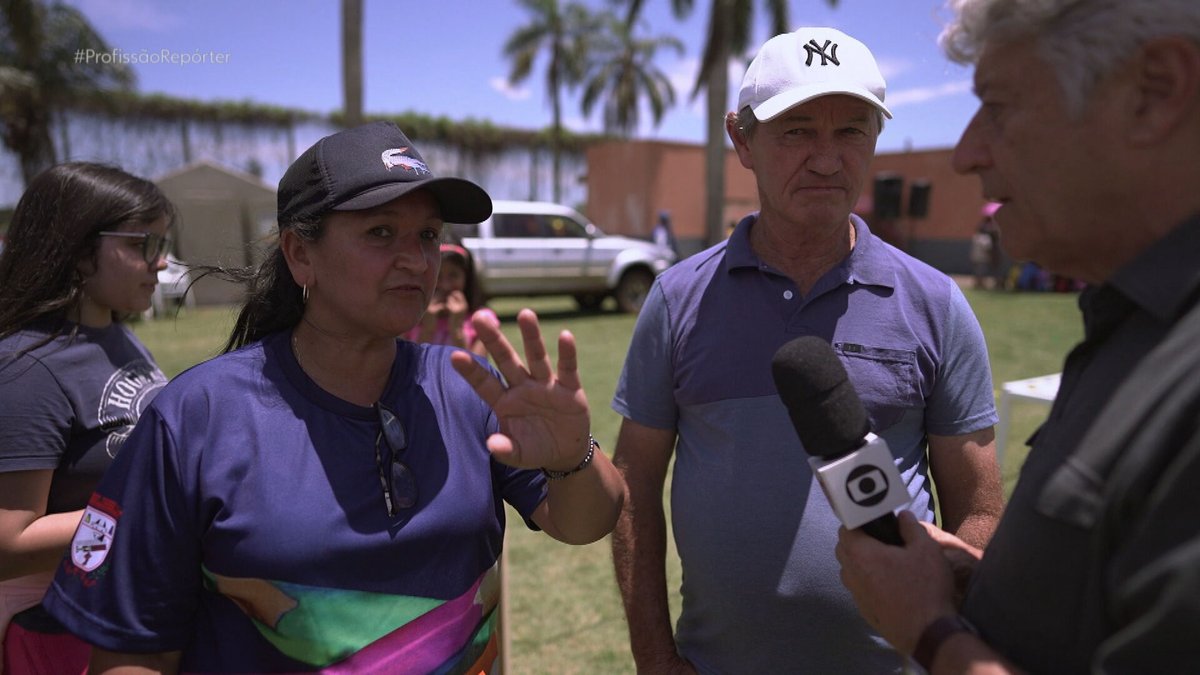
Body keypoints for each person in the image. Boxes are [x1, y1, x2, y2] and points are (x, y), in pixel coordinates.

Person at [41, 121, 625, 673]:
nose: (416, 260)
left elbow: (583, 524)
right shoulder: (197, 418)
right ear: (300, 254)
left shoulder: (464, 386)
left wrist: (570, 458)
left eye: (427, 235)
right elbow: (132, 651)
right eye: (380, 232)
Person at [610, 26, 1005, 674]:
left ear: (874, 139)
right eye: (797, 130)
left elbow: (978, 509)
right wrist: (654, 656)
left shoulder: (935, 303)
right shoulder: (678, 299)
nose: (827, 158)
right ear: (743, 139)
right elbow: (635, 484)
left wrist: (942, 642)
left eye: (851, 130)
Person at [835, 1, 1200, 673]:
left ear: (1155, 93)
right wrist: (990, 581)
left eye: (997, 106)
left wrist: (929, 628)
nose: (968, 152)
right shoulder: (1131, 329)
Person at [0, 162, 173, 672]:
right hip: (61, 632)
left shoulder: (115, 335)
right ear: (77, 251)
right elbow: (9, 545)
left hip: (121, 617)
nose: (160, 263)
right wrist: (149, 514)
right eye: (142, 245)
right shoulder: (27, 366)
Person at [404, 242, 495, 357]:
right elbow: (408, 367)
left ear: (467, 278)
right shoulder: (408, 319)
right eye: (437, 276)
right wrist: (428, 328)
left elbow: (475, 372)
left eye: (454, 275)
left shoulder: (481, 320)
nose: (445, 286)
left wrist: (456, 329)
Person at [969, 203, 1002, 290]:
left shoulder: (985, 226)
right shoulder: (988, 227)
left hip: (986, 250)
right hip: (986, 249)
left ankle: (989, 283)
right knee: (982, 269)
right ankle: (981, 284)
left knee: (982, 269)